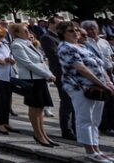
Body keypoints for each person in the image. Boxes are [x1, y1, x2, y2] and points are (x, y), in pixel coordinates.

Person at [56, 20, 114, 162]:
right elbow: (81, 69)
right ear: (62, 34)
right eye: (71, 31)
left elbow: (100, 65)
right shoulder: (65, 48)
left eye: (76, 30)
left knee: (95, 120)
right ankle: (90, 151)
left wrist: (108, 81)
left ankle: (97, 149)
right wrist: (103, 84)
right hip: (81, 87)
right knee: (85, 119)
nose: (76, 33)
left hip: (97, 87)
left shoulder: (83, 46)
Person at [9, 23, 58, 147]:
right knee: (34, 107)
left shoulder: (28, 43)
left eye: (27, 30)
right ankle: (38, 134)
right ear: (16, 33)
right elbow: (28, 64)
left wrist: (48, 73)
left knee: (40, 107)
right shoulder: (17, 45)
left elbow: (41, 61)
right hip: (32, 80)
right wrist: (47, 75)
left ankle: (43, 133)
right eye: (24, 31)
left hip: (39, 78)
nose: (27, 32)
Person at [40, 16, 76, 140]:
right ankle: (66, 130)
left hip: (71, 73)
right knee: (66, 102)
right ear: (50, 24)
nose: (62, 25)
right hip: (61, 73)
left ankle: (74, 128)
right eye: (59, 23)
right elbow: (55, 56)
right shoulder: (47, 37)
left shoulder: (62, 37)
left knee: (73, 102)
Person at [82, 20, 114, 136]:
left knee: (111, 100)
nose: (91, 31)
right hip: (97, 74)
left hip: (108, 72)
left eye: (93, 28)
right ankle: (104, 125)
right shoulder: (85, 43)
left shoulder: (104, 42)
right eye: (88, 29)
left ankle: (112, 123)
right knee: (102, 100)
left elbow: (110, 56)